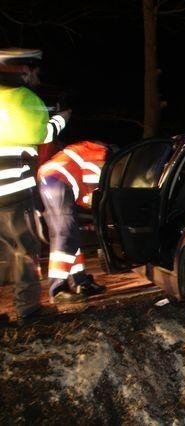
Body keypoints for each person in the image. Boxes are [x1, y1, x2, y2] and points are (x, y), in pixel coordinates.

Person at [0, 48, 72, 321]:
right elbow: (44, 133)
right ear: (23, 70)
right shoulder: (25, 99)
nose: (38, 77)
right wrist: (62, 117)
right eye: (35, 71)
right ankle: (27, 310)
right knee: (24, 251)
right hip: (13, 192)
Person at [37, 140, 111, 303]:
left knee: (71, 234)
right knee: (66, 234)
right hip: (56, 180)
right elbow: (93, 195)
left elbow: (85, 197)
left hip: (53, 180)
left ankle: (80, 282)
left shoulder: (87, 151)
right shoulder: (99, 152)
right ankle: (57, 288)